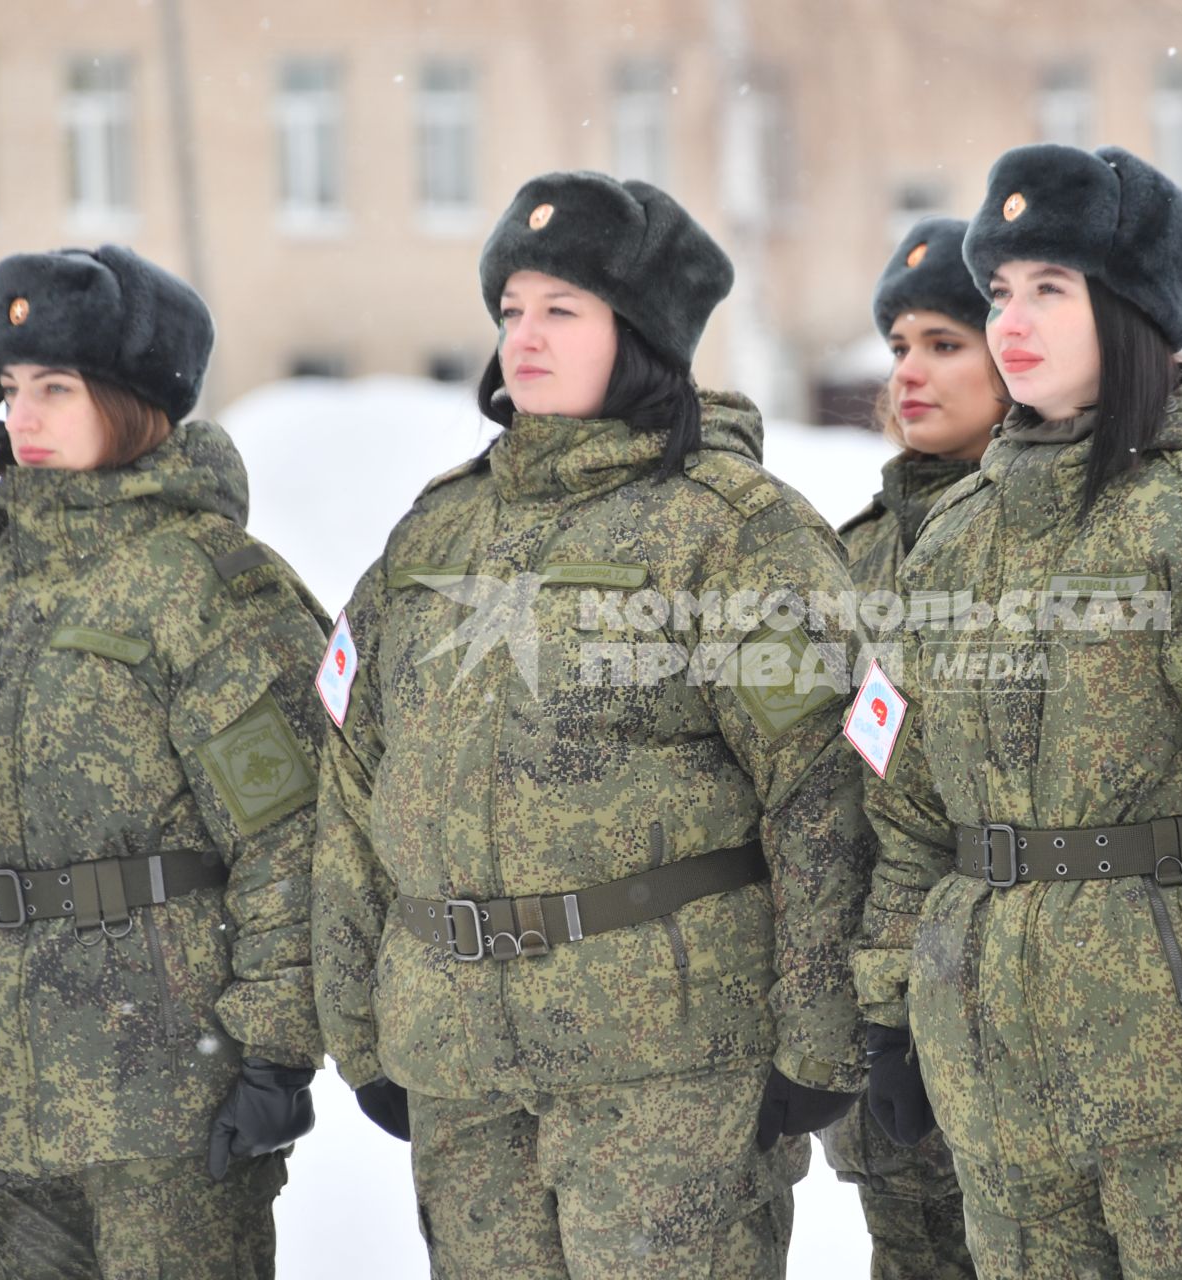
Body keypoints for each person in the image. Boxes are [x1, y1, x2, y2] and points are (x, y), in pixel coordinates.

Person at [311, 170, 872, 1277]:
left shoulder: (729, 533)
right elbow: (354, 782)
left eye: (561, 310)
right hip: (460, 1054)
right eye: (511, 310)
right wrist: (359, 1019)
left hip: (666, 1066)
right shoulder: (436, 534)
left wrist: (818, 1034)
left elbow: (821, 790)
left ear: (645, 334)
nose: (524, 336)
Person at [850, 143, 1182, 1279]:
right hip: (999, 1092)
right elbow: (910, 806)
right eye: (1000, 291)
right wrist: (892, 1003)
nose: (1011, 320)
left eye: (1050, 289)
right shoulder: (961, 534)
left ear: (1127, 308)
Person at [0, 245, 327, 1277]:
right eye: (11, 388)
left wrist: (278, 1051)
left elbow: (292, 840)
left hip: (165, 1092)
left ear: (134, 400)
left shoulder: (205, 586)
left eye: (55, 387)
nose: (24, 415)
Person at [824, 215, 998, 1280]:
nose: (911, 374)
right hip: (885, 1001)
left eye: (946, 343)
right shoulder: (857, 551)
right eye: (898, 348)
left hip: (1022, 993)